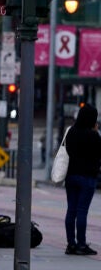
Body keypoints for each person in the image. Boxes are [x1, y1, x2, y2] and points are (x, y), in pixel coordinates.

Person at [63, 104, 101, 255]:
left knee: (71, 210)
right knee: (82, 211)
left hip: (71, 176)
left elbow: (67, 150)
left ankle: (71, 244)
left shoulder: (71, 131)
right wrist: (96, 132)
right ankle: (81, 245)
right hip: (87, 178)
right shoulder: (93, 135)